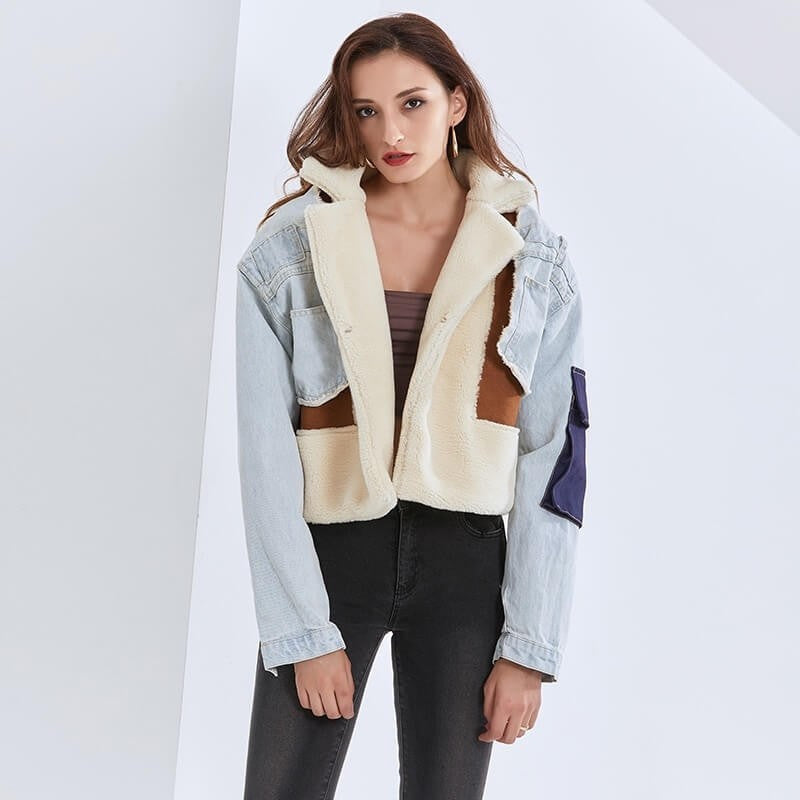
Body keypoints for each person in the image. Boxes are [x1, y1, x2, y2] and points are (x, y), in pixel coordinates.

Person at [235, 12, 590, 800]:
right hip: (332, 559)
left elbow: (554, 458)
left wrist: (527, 646)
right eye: (366, 111)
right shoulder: (291, 249)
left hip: (467, 563)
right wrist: (301, 629)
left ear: (456, 103)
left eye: (413, 104)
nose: (390, 132)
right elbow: (263, 451)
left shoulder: (533, 258)